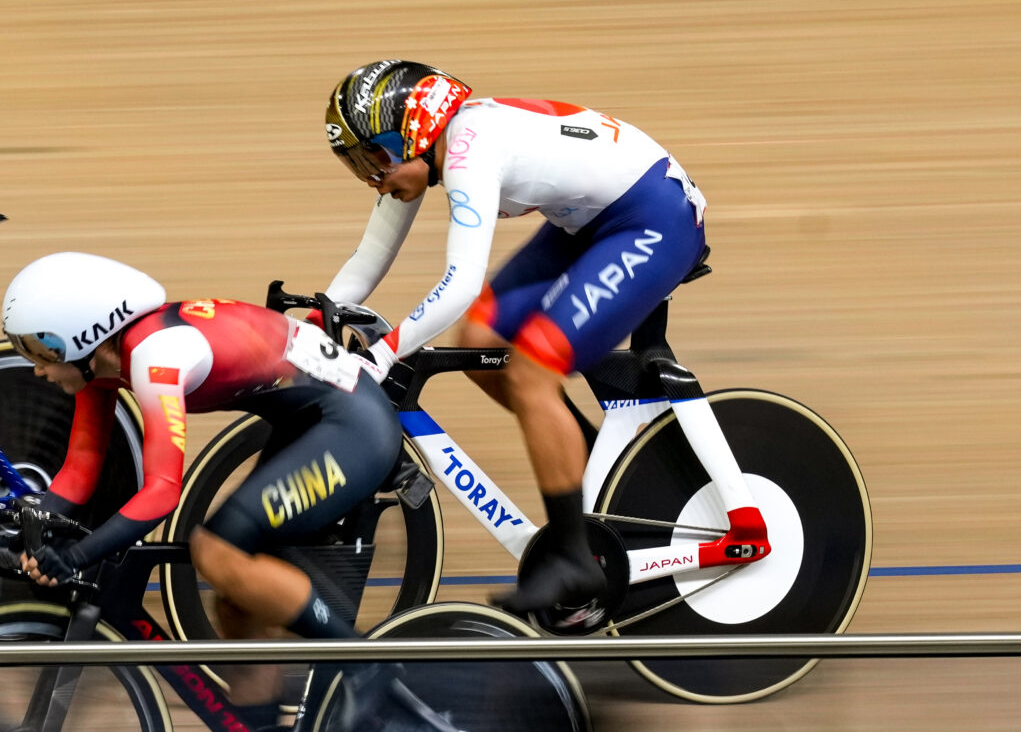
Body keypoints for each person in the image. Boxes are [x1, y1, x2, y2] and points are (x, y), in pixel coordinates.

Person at [0, 251, 404, 732]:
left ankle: (367, 668)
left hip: (352, 426)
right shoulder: (107, 364)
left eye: (41, 352)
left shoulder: (155, 356)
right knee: (236, 608)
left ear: (82, 334)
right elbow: (77, 476)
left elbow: (160, 492)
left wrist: (80, 556)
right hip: (311, 423)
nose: (37, 369)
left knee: (215, 549)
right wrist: (14, 523)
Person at [321, 59, 754, 630]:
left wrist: (381, 354)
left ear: (414, 131)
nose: (371, 176)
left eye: (372, 157)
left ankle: (575, 563)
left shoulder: (471, 149)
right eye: (358, 164)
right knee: (478, 340)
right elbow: (368, 261)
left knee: (530, 373)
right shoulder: (431, 148)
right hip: (593, 222)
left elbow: (459, 284)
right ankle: (590, 470)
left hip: (654, 218)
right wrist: (318, 319)